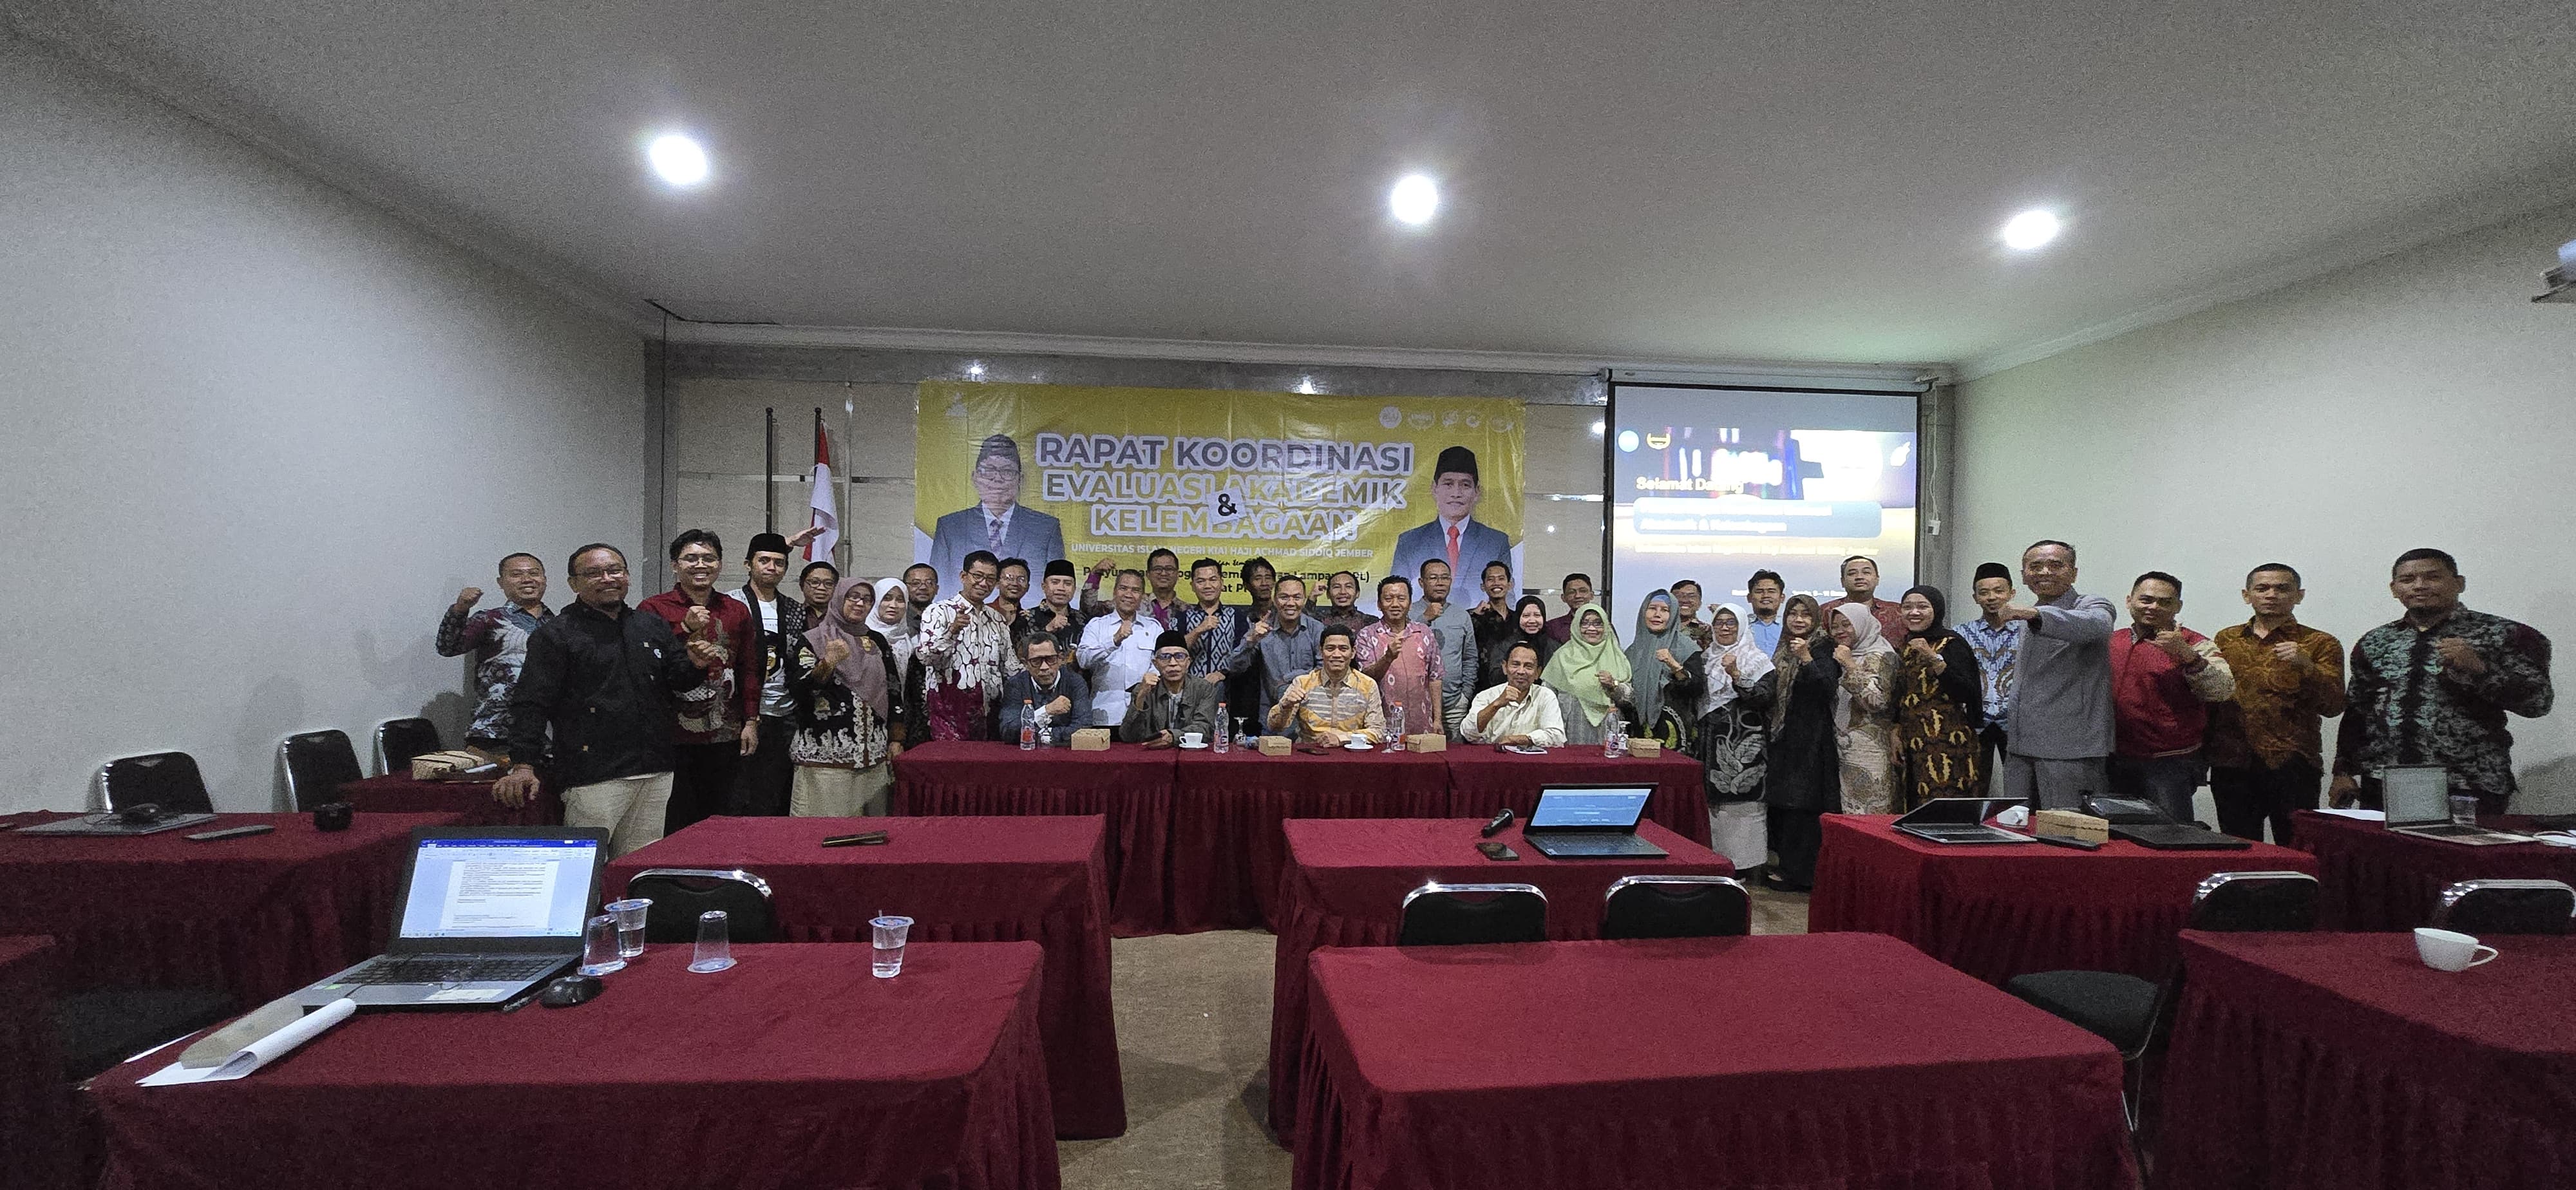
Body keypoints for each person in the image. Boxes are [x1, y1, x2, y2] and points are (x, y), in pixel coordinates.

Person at [498, 544, 718, 858]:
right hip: (593, 775)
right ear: (574, 583)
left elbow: (678, 682)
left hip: (655, 768)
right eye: (594, 573)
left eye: (615, 570)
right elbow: (531, 702)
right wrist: (523, 764)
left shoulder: (649, 625)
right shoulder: (556, 635)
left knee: (638, 866)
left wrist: (695, 664)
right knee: (587, 865)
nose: (607, 578)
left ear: (627, 576)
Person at [2333, 549, 2554, 815]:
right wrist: (2343, 770)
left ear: (2459, 583)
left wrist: (2481, 670)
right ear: (2394, 589)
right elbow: (2358, 709)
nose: (2419, 586)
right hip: (2384, 780)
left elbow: (2538, 703)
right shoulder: (2375, 641)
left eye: (2432, 577)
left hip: (2468, 783)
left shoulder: (2507, 635)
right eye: (2408, 579)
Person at [2206, 563, 2346, 844]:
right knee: (2238, 848)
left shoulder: (2320, 643)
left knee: (2296, 846)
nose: (2272, 595)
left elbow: (2333, 706)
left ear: (2299, 595)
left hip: (2293, 761)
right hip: (2232, 761)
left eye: (2282, 588)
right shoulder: (2227, 638)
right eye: (2262, 588)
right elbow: (2212, 697)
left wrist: (2307, 666)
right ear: (2247, 595)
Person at [638, 529, 759, 835]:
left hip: (726, 732)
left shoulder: (735, 610)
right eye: (691, 558)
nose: (701, 565)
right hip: (671, 735)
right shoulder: (653, 608)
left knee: (724, 817)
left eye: (709, 558)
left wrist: (751, 721)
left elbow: (749, 668)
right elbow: (647, 664)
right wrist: (684, 627)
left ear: (720, 564)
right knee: (676, 818)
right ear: (675, 565)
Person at [1993, 541, 2117, 810]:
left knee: (2067, 827)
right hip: (2019, 746)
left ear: (2074, 573)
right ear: (2024, 575)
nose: (2045, 572)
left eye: (2056, 565)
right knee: (2016, 824)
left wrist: (2037, 614)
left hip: (2069, 750)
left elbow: (2097, 625)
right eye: (2035, 566)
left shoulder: (2091, 605)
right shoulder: (2028, 615)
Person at [2108, 572, 2236, 822]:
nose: (2154, 607)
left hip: (2170, 762)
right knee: (2117, 835)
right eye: (2146, 600)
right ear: (2129, 601)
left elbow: (2222, 690)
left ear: (2178, 606)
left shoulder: (2195, 644)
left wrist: (2186, 655)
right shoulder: (2112, 640)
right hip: (2113, 758)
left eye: (2164, 602)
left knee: (2170, 836)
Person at [1663, 605, 1774, 873]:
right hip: (1707, 740)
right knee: (1710, 802)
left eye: (1731, 623)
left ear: (1742, 626)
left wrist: (1736, 674)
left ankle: (1745, 866)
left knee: (1742, 801)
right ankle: (1715, 862)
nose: (1724, 628)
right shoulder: (1704, 658)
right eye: (1719, 623)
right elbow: (1691, 692)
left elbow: (1763, 697)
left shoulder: (1758, 660)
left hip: (1743, 739)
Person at [787, 578, 904, 816]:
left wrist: (896, 738)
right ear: (839, 599)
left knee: (870, 830)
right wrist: (828, 663)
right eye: (853, 597)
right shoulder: (813, 639)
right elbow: (799, 691)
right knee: (826, 829)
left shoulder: (877, 641)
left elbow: (893, 689)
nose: (860, 603)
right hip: (825, 758)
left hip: (873, 755)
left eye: (867, 599)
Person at [729, 529, 824, 817]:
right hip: (741, 711)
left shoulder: (794, 609)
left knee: (778, 789)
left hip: (785, 711)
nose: (772, 568)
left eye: (779, 562)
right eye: (764, 561)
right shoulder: (732, 604)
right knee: (740, 788)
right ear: (748, 564)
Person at [436, 552, 553, 755]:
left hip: (547, 732)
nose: (527, 579)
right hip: (495, 731)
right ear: (501, 582)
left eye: (534, 573)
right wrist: (461, 608)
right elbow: (448, 647)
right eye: (516, 574)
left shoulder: (558, 624)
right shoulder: (490, 619)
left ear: (544, 579)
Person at [925, 433, 1066, 600]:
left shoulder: (1046, 527)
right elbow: (940, 584)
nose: (997, 479)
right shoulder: (950, 526)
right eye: (988, 471)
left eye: (1007, 471)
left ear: (1020, 479)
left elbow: (1057, 585)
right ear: (975, 477)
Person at [1763, 595, 1841, 892]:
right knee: (1783, 805)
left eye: (1805, 615)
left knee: (1803, 807)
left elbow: (1826, 687)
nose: (1798, 620)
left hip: (1811, 738)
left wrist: (1807, 658)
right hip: (1784, 736)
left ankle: (1802, 875)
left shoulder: (1823, 647)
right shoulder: (1784, 647)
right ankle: (1787, 866)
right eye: (1792, 614)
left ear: (1816, 619)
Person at [1893, 586, 1984, 810]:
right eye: (1907, 607)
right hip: (1914, 740)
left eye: (1922, 607)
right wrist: (1894, 731)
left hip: (1949, 741)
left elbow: (1967, 691)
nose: (1914, 612)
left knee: (1947, 807)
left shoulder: (1952, 643)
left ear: (1937, 610)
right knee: (1915, 805)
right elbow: (1901, 693)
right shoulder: (1906, 645)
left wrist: (1933, 658)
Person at [915, 550, 1020, 740]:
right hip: (949, 714)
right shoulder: (938, 611)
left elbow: (1010, 667)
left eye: (990, 579)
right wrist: (952, 631)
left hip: (990, 715)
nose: (984, 583)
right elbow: (926, 657)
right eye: (978, 576)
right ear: (964, 576)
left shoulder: (997, 618)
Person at [1390, 446, 1512, 592]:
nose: (1456, 493)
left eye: (1465, 485)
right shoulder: (1410, 542)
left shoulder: (1496, 542)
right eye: (1448, 484)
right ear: (1434, 488)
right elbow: (1397, 592)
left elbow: (1507, 595)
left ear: (1477, 491)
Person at [1956, 562, 2025, 790]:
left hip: (2016, 721)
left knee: (2021, 788)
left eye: (1998, 591)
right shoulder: (1960, 634)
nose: (1991, 597)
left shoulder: (2028, 632)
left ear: (2011, 593)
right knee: (1974, 786)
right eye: (1984, 592)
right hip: (1975, 720)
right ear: (1975, 597)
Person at [1828, 604, 1900, 815]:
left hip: (1871, 753)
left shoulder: (1882, 655)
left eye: (1846, 625)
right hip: (1844, 750)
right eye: (1835, 627)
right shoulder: (1846, 654)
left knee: (1869, 816)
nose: (1840, 631)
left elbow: (1877, 702)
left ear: (1861, 624)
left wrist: (1850, 666)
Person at [1267, 624, 1387, 746]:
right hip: (1309, 752)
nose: (1336, 655)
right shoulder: (1303, 683)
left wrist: (1341, 738)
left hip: (1350, 751)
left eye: (1343, 649)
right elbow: (1274, 727)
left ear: (1353, 652)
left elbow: (1378, 731)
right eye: (1330, 648)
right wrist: (1285, 706)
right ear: (1321, 651)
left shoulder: (1367, 685)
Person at [1226, 573, 1322, 724]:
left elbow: (1324, 670)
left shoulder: (1317, 629)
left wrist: (1289, 680)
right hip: (1273, 716)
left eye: (1297, 597)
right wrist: (1250, 640)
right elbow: (1234, 667)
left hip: (1311, 715)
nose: (1291, 603)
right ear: (1275, 600)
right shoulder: (1262, 630)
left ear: (1304, 600)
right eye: (1284, 597)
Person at [1355, 576, 1443, 739]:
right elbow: (1365, 678)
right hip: (1382, 725)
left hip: (1421, 724)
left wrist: (1437, 720)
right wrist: (1387, 658)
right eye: (1388, 599)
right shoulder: (1367, 635)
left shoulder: (1424, 633)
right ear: (1379, 604)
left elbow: (1435, 677)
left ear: (1410, 603)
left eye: (1401, 599)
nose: (1395, 604)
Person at [1542, 604, 1634, 746]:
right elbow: (1547, 697)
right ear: (1576, 626)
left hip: (1608, 732)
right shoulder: (1562, 656)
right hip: (1571, 729)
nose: (1591, 629)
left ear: (1606, 627)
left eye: (1598, 623)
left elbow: (1631, 699)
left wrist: (1614, 684)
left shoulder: (1617, 656)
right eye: (1584, 623)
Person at [1078, 569, 1160, 727]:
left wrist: (1146, 685)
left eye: (1135, 590)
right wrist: (1114, 640)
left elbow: (1161, 663)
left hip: (1143, 714)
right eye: (1123, 588)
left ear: (1143, 596)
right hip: (1105, 714)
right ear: (1115, 592)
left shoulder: (1154, 628)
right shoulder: (1097, 625)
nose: (1129, 594)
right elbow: (1083, 660)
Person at [1625, 589, 1701, 746]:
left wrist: (1674, 665)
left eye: (1665, 610)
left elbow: (1697, 689)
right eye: (1652, 608)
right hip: (1638, 732)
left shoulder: (1687, 648)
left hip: (1677, 729)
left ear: (1673, 615)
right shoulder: (1632, 652)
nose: (1657, 615)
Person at [1121, 630, 1221, 745]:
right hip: (1152, 752)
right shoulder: (1145, 689)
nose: (1173, 663)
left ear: (1188, 662)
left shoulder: (1204, 688)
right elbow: (1128, 736)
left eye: (1179, 656)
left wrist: (1174, 737)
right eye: (1165, 657)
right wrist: (1141, 697)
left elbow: (1205, 729)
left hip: (1191, 752)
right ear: (1156, 663)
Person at [1416, 558, 1479, 737]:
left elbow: (1470, 658)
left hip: (1454, 704)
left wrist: (1465, 694)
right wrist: (1424, 619)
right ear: (1421, 582)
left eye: (1445, 578)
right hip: (1416, 704)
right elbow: (1404, 648)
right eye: (1433, 578)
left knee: (1455, 752)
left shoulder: (1462, 615)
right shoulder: (1408, 612)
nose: (1440, 583)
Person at [1461, 641, 1568, 748]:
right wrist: (1496, 705)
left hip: (1532, 757)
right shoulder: (1486, 696)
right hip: (1494, 756)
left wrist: (1519, 739)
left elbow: (1557, 737)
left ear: (1538, 673)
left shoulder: (1546, 696)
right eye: (1515, 665)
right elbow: (1468, 733)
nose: (1521, 671)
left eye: (1528, 666)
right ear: (1505, 667)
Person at [998, 633, 1092, 746]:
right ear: (1026, 664)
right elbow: (1009, 731)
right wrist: (1046, 711)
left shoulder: (1075, 682)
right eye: (1036, 661)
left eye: (1051, 659)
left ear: (1061, 659)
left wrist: (1041, 735)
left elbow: (1083, 728)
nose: (1044, 667)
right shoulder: (1015, 685)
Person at [1175, 556, 1249, 687]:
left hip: (1228, 689)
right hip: (1189, 689)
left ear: (1222, 583)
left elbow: (1245, 657)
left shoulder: (1238, 618)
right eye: (1201, 581)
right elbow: (1173, 654)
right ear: (1192, 586)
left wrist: (1224, 673)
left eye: (1213, 580)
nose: (1207, 586)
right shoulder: (1181, 619)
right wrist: (1198, 631)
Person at [1079, 549, 1183, 628]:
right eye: (1158, 569)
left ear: (1178, 574)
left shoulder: (1186, 610)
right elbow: (1089, 609)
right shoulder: (1131, 602)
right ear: (1148, 574)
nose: (1164, 573)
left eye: (1169, 569)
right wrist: (1095, 575)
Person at [1822, 555, 1907, 642]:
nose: (1859, 577)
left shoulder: (1897, 611)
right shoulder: (1826, 611)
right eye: (1852, 574)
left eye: (1866, 573)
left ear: (1877, 579)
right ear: (1843, 581)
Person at [1481, 596, 1557, 692]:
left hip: (1545, 697)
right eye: (1526, 616)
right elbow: (1494, 677)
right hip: (1510, 696)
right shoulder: (1504, 645)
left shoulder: (1554, 647)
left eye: (1537, 615)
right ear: (1518, 618)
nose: (1532, 620)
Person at [1019, 558, 1087, 657]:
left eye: (1068, 584)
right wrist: (1047, 630)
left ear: (1075, 589)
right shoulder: (1025, 617)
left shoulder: (1083, 620)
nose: (1061, 588)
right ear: (1044, 586)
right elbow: (1019, 654)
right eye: (1055, 582)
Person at [1468, 560, 1518, 683]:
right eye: (1491, 580)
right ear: (1483, 586)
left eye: (1501, 579)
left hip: (1515, 681)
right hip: (1482, 683)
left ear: (1510, 584)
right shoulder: (1473, 617)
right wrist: (1475, 616)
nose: (1496, 583)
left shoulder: (1518, 618)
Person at [1316, 571, 1380, 635]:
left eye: (1348, 587)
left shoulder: (1371, 622)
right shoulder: (1318, 621)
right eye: (1337, 587)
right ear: (1328, 594)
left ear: (1357, 593)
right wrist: (1313, 597)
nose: (1343, 592)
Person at [1543, 572, 1597, 643]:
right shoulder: (1553, 627)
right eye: (1571, 592)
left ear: (1592, 595)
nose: (1577, 596)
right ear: (1563, 598)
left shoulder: (1603, 625)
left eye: (1583, 591)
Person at [1743, 570, 1787, 655]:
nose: (1766, 596)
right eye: (1759, 592)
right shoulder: (1740, 626)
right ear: (1749, 598)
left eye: (1771, 591)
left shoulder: (1789, 627)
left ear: (1782, 598)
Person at [993, 558, 1033, 638]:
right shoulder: (983, 613)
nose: (1015, 584)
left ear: (1028, 587)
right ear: (997, 583)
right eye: (1009, 578)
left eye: (1021, 579)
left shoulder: (1030, 620)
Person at [1671, 580, 1712, 650]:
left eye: (1691, 596)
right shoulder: (1659, 626)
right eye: (1679, 596)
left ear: (1699, 603)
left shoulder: (1707, 631)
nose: (1684, 600)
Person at [797, 561, 840, 625]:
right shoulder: (791, 614)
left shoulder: (842, 617)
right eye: (815, 582)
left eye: (828, 583)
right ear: (802, 585)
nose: (822, 588)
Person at [902, 563, 940, 632]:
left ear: (937, 589)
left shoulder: (944, 617)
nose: (923, 588)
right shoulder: (898, 618)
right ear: (905, 588)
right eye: (916, 583)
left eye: (929, 583)